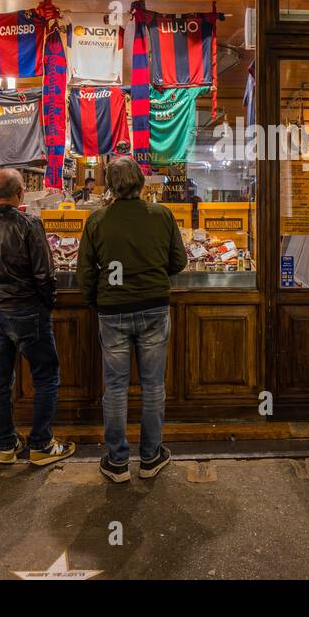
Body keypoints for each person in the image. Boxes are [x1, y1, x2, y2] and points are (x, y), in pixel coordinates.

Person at [77, 156, 187, 482]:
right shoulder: (162, 215)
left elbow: (85, 274)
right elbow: (178, 261)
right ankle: (151, 457)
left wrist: (96, 301)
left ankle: (117, 461)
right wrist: (152, 275)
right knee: (153, 386)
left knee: (115, 388)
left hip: (112, 313)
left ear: (109, 185)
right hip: (154, 307)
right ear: (140, 182)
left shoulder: (97, 221)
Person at [0, 168, 76, 466]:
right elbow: (44, 274)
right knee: (46, 377)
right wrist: (47, 303)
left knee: (0, 382)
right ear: (20, 192)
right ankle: (40, 444)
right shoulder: (29, 225)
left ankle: (7, 445)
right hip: (28, 312)